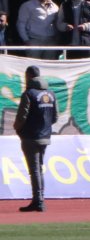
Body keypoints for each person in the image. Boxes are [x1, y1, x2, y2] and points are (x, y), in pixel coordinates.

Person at [13, 66, 58, 212]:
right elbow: (55, 117)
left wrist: (18, 128)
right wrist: (44, 127)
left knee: (34, 170)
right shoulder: (51, 94)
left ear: (29, 76)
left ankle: (38, 201)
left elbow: (22, 116)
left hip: (30, 137)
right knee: (39, 168)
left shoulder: (29, 94)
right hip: (45, 136)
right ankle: (39, 199)